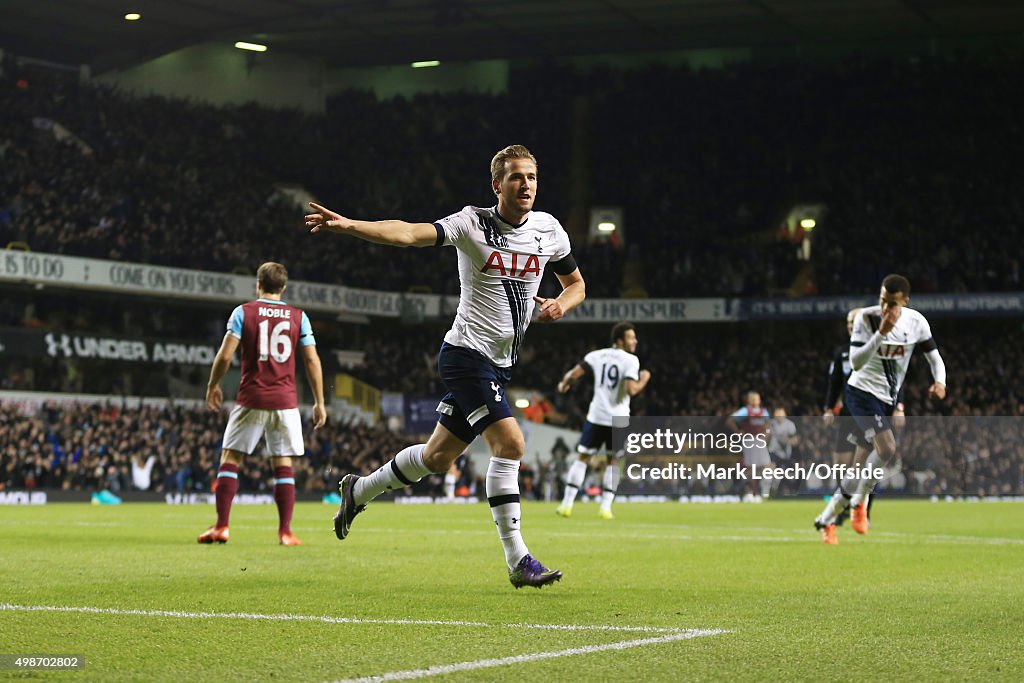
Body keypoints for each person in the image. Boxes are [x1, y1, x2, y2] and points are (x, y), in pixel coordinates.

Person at [306, 144, 585, 588]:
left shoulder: (549, 230)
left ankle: (358, 490)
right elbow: (410, 234)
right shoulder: (471, 222)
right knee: (510, 445)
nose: (526, 185)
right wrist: (350, 225)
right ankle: (518, 560)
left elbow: (576, 284)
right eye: (516, 177)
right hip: (465, 355)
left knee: (436, 458)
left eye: (531, 177)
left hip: (500, 363)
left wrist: (560, 306)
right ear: (497, 184)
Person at [198, 262, 327, 546]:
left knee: (231, 459)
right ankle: (285, 532)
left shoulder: (243, 312)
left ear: (258, 284)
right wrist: (319, 401)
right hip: (285, 401)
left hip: (251, 397)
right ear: (283, 287)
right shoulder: (299, 317)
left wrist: (212, 384)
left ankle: (221, 526)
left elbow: (225, 355)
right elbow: (311, 360)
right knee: (282, 464)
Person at [814, 274, 946, 544]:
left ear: (905, 301)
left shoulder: (916, 322)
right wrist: (880, 334)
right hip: (860, 393)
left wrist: (940, 382)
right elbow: (857, 361)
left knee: (858, 469)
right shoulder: (866, 318)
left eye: (893, 303)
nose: (886, 308)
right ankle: (860, 502)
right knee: (886, 448)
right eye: (883, 300)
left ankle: (826, 519)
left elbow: (935, 358)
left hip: (885, 400)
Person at [554, 321, 650, 519]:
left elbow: (574, 374)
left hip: (597, 415)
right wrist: (644, 380)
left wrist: (564, 384)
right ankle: (605, 508)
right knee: (613, 461)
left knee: (583, 458)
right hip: (618, 418)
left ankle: (566, 504)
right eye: (631, 337)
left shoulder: (596, 356)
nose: (635, 341)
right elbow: (631, 390)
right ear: (620, 340)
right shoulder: (631, 360)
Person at [726, 391, 771, 501]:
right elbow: (730, 421)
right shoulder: (745, 411)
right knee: (750, 467)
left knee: (766, 466)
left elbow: (768, 424)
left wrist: (766, 434)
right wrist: (739, 432)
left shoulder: (764, 411)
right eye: (754, 399)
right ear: (749, 400)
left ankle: (765, 491)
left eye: (758, 398)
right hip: (749, 441)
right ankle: (751, 492)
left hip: (760, 441)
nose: (757, 400)